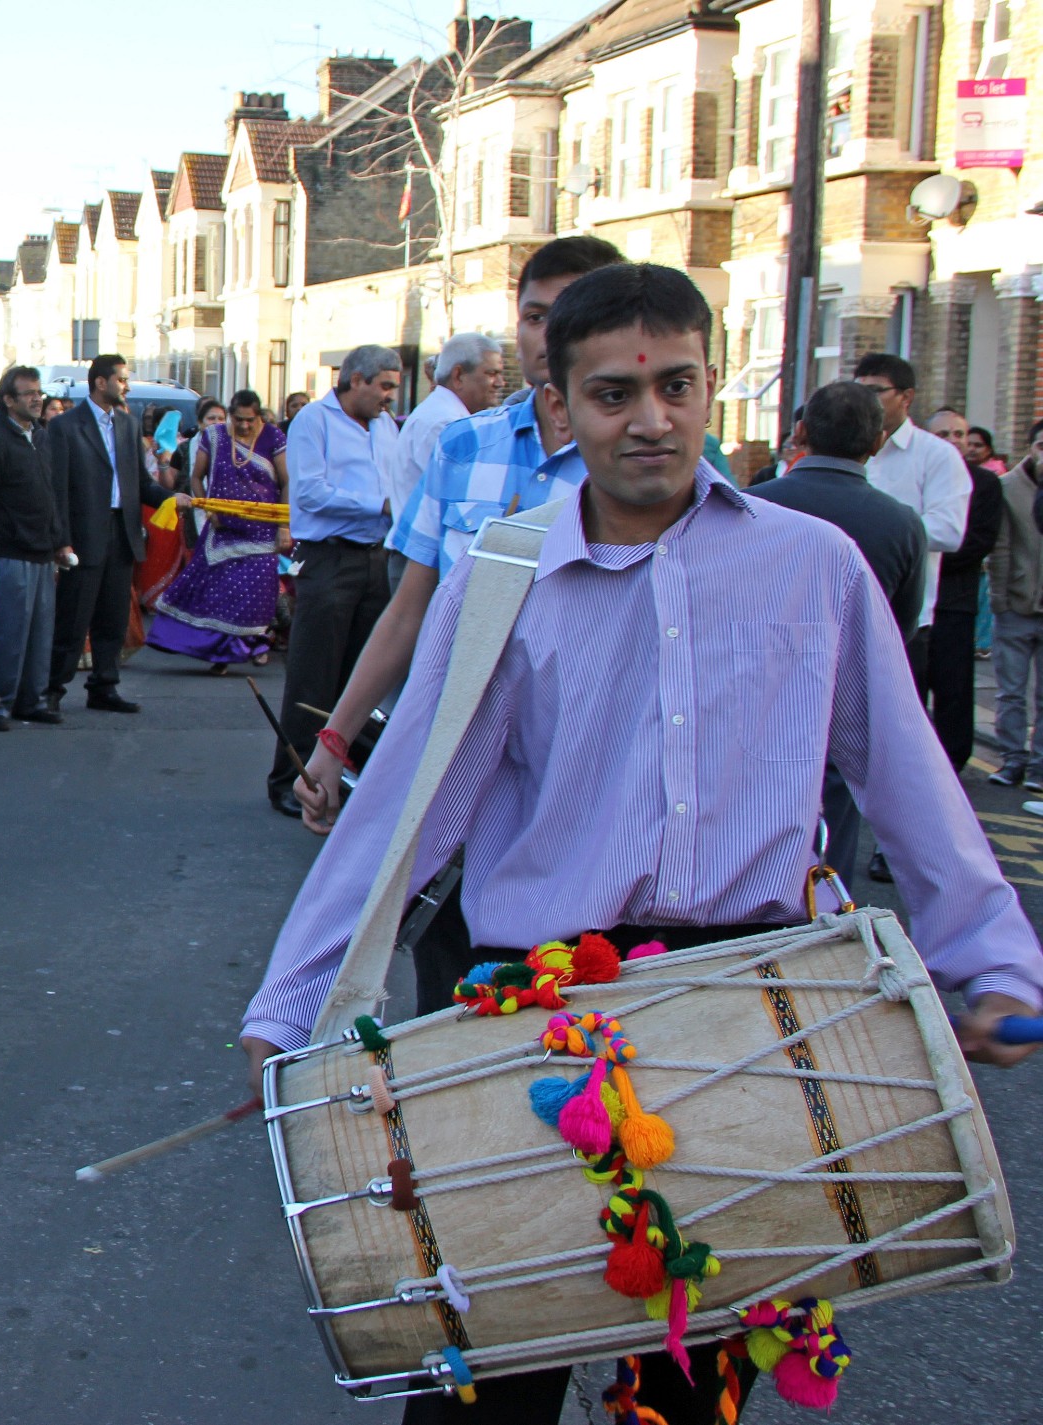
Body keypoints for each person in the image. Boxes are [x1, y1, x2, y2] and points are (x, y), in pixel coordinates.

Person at [240, 263, 1043, 1425]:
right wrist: (288, 1005)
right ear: (558, 407)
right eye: (612, 393)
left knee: (684, 1392)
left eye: (675, 385)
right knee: (481, 1383)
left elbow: (909, 784)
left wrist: (993, 964)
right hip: (528, 1023)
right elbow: (404, 810)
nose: (649, 419)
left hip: (747, 1018)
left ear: (714, 387)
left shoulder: (811, 567)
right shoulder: (501, 576)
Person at [296, 235, 624, 831]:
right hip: (455, 767)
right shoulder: (466, 445)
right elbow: (409, 612)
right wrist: (334, 744)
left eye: (574, 312)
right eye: (534, 316)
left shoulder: (647, 465)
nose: (551, 334)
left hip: (589, 785)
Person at [746, 380, 926, 891]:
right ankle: (823, 923)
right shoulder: (901, 523)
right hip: (843, 698)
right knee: (835, 829)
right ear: (877, 442)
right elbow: (901, 628)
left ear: (801, 431)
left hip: (756, 688)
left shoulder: (750, 505)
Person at [265, 346, 402, 816]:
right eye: (384, 385)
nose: (390, 395)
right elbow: (311, 492)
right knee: (313, 675)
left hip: (375, 557)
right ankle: (291, 778)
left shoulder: (385, 427)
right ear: (356, 380)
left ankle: (341, 778)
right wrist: (377, 504)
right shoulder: (314, 421)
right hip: (329, 559)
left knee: (361, 678)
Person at [855, 354, 972, 881]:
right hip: (833, 611)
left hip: (901, 617)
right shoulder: (852, 446)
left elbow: (949, 530)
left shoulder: (936, 456)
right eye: (859, 388)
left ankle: (895, 848)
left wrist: (882, 525)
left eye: (876, 390)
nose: (867, 399)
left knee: (897, 744)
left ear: (906, 396)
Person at [44, 354, 183, 715]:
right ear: (101, 382)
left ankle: (104, 686)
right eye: (121, 379)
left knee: (113, 617)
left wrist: (171, 498)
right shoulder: (66, 427)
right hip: (83, 533)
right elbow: (56, 489)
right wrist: (61, 540)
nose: (127, 386)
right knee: (73, 618)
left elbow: (139, 482)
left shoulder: (126, 424)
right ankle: (52, 689)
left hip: (121, 532)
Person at [145, 389, 287, 672]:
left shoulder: (273, 437)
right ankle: (219, 653)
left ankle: (255, 645)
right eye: (238, 419)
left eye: (250, 419)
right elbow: (196, 477)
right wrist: (209, 510)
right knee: (218, 592)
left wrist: (284, 525)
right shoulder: (215, 436)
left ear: (258, 415)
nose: (244, 425)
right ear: (230, 414)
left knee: (255, 593)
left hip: (262, 532)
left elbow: (286, 482)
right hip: (222, 529)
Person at [0, 365, 61, 731]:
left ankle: (31, 700)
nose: (38, 399)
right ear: (8, 400)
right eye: (29, 393)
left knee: (40, 634)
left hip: (42, 550)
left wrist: (57, 538)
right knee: (8, 632)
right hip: (10, 552)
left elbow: (51, 493)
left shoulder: (39, 436)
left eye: (39, 392)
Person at [922, 406, 1005, 772]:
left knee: (954, 685)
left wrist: (933, 556)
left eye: (959, 434)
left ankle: (953, 760)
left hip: (956, 598)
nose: (954, 442)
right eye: (944, 435)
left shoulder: (984, 484)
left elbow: (978, 541)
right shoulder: (922, 473)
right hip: (916, 596)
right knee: (911, 682)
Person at [392, 332, 505, 590]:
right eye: (491, 374)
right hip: (423, 562)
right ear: (458, 375)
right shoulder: (446, 423)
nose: (500, 382)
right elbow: (464, 501)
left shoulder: (444, 414)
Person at [988, 419, 1043, 789]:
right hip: (1017, 606)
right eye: (1041, 445)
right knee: (1010, 691)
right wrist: (1000, 600)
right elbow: (1001, 549)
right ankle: (1013, 759)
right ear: (1031, 448)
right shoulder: (1008, 488)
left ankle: (1040, 766)